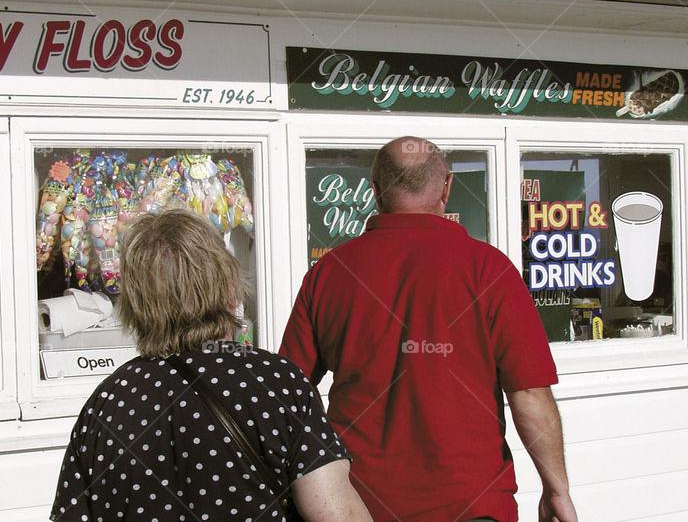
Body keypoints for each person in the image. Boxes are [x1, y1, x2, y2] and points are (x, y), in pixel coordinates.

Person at [280, 136, 578, 522]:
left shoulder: (329, 273)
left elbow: (287, 391)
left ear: (375, 191)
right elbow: (529, 393)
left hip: (358, 504)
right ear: (447, 187)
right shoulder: (489, 269)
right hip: (472, 505)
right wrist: (557, 489)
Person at [51, 209, 373, 522]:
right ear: (226, 284)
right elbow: (337, 513)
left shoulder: (107, 403)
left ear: (136, 301)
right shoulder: (275, 383)